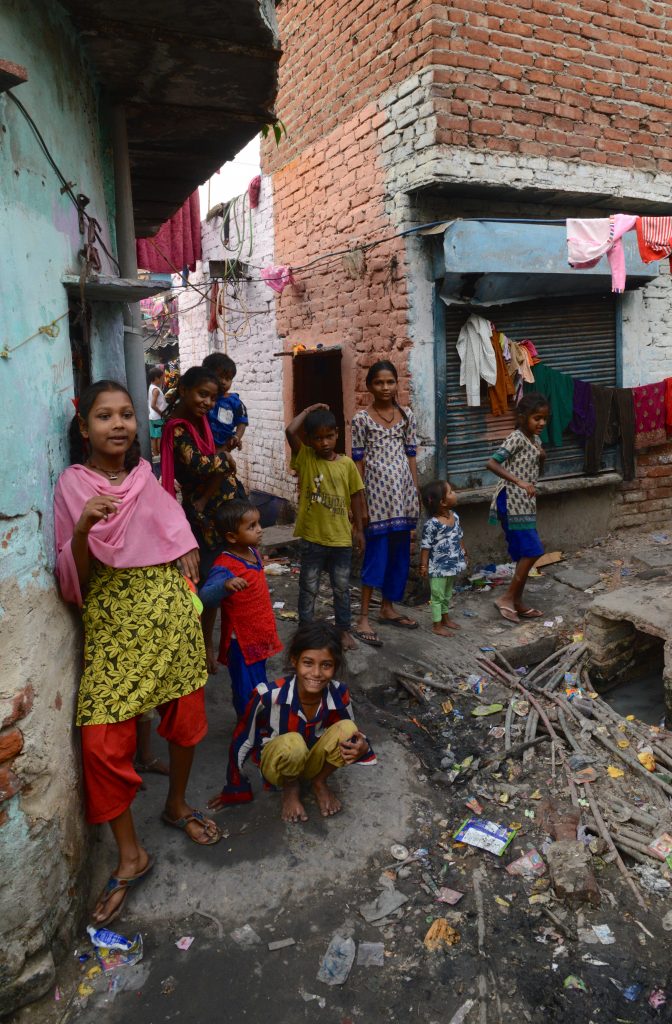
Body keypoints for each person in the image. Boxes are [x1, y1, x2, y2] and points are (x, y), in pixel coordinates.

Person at [54, 380, 221, 926]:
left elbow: (172, 529)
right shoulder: (73, 486)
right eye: (105, 416)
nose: (119, 424)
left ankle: (175, 806)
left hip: (170, 618)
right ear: (85, 428)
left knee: (186, 720)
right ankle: (131, 854)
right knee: (102, 743)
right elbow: (74, 574)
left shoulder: (146, 479)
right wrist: (83, 527)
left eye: (127, 414)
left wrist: (187, 547)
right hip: (114, 628)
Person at [209, 622, 376, 823]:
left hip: (312, 762)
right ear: (294, 660)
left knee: (348, 729)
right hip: (278, 765)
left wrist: (363, 745)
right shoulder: (268, 696)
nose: (316, 673)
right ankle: (290, 787)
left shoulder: (338, 692)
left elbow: (351, 734)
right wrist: (235, 787)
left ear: (336, 666)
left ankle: (319, 781)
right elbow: (243, 740)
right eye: (308, 663)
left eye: (326, 665)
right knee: (293, 743)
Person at [160, 365, 238, 671]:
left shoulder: (200, 421)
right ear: (183, 391)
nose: (207, 402)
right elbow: (202, 466)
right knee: (203, 583)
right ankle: (196, 648)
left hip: (218, 514)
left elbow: (214, 461)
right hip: (201, 516)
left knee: (218, 581)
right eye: (201, 394)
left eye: (212, 397)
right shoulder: (178, 428)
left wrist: (221, 458)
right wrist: (223, 459)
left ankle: (208, 644)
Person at [351, 360, 420, 647]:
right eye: (379, 382)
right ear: (369, 386)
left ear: (397, 384)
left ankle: (388, 607)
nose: (385, 387)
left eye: (390, 382)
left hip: (402, 497)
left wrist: (414, 491)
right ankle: (364, 617)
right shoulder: (361, 420)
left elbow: (411, 455)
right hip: (376, 498)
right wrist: (361, 504)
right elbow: (358, 461)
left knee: (399, 555)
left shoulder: (406, 416)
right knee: (375, 555)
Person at [285, 404, 365, 651]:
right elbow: (290, 431)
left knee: (341, 588)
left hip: (340, 540)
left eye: (329, 436)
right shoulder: (307, 458)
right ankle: (306, 631)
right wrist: (309, 410)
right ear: (309, 440)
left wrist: (359, 529)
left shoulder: (347, 465)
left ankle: (343, 631)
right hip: (312, 538)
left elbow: (356, 496)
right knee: (308, 587)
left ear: (337, 434)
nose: (324, 443)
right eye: (318, 438)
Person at [198, 499, 282, 717]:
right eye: (252, 526)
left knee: (259, 685)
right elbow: (205, 597)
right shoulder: (225, 565)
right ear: (232, 537)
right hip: (241, 641)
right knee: (246, 691)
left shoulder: (253, 553)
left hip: (259, 635)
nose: (260, 530)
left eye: (258, 524)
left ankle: (258, 725)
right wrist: (225, 586)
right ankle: (247, 729)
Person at [485, 392, 549, 623]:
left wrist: (541, 457)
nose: (541, 423)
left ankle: (517, 602)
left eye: (544, 419)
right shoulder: (517, 437)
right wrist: (519, 482)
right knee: (533, 550)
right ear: (522, 417)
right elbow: (491, 463)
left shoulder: (535, 440)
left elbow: (535, 472)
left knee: (525, 553)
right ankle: (507, 598)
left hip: (525, 502)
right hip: (510, 500)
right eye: (536, 418)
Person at [419, 479, 467, 637]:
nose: (455, 493)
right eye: (451, 492)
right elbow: (425, 546)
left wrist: (463, 552)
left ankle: (445, 618)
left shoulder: (455, 517)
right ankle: (436, 624)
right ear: (443, 502)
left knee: (447, 593)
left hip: (452, 564)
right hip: (438, 568)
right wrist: (424, 566)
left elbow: (459, 536)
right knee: (437, 596)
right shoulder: (432, 524)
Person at [202, 352, 248, 454]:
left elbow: (242, 422)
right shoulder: (202, 400)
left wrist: (236, 437)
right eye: (220, 377)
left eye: (228, 379)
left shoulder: (235, 402)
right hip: (202, 445)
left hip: (224, 446)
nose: (223, 382)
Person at [147, 365, 167, 461]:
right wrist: (162, 413)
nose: (163, 379)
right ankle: (160, 454)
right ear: (156, 378)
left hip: (152, 416)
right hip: (157, 417)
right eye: (162, 378)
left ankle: (156, 455)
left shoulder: (151, 387)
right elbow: (153, 405)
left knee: (154, 436)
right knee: (159, 436)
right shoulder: (156, 390)